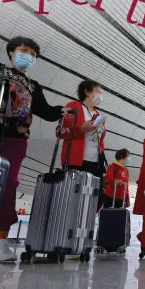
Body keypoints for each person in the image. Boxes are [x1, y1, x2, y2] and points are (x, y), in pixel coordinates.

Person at [0, 36, 67, 263]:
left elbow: (45, 111)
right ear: (12, 52)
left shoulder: (34, 85)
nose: (29, 57)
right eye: (25, 51)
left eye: (34, 55)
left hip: (16, 139)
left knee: (8, 185)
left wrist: (61, 110)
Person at [57, 79, 107, 208]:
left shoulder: (99, 114)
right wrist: (81, 128)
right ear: (86, 92)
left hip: (96, 162)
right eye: (97, 91)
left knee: (94, 200)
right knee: (74, 198)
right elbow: (60, 131)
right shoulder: (73, 106)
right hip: (77, 161)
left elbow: (100, 140)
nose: (100, 95)